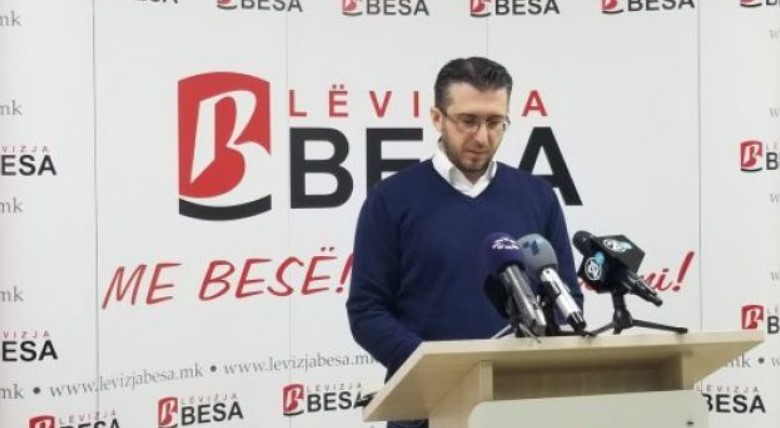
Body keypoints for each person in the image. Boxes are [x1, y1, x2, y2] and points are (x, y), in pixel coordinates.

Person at [346, 57, 582, 428]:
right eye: (468, 121)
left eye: (495, 122)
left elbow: (566, 296)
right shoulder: (390, 199)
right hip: (427, 412)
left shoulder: (537, 196)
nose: (482, 137)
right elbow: (366, 310)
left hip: (520, 406)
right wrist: (438, 370)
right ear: (437, 117)